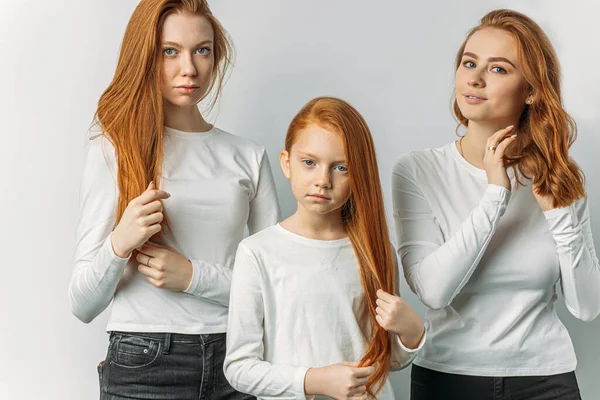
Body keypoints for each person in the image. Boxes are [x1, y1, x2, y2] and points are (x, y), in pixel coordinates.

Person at [68, 1, 279, 398]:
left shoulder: (249, 156)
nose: (190, 68)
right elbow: (82, 304)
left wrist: (193, 277)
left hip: (238, 358)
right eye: (170, 51)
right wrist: (119, 243)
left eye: (202, 49)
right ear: (145, 56)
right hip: (143, 362)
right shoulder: (113, 151)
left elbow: (278, 287)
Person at [392, 9, 599, 400]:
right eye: (469, 63)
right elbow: (433, 292)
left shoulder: (559, 177)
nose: (475, 78)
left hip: (546, 379)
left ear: (532, 90)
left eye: (499, 69)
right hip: (448, 378)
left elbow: (587, 306)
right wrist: (495, 193)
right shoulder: (418, 170)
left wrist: (558, 213)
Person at [224, 97, 426, 400]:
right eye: (309, 162)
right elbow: (240, 367)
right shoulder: (257, 252)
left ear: (358, 175)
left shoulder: (375, 252)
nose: (322, 180)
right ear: (286, 163)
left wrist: (412, 333)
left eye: (340, 167)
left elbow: (386, 360)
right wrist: (315, 381)